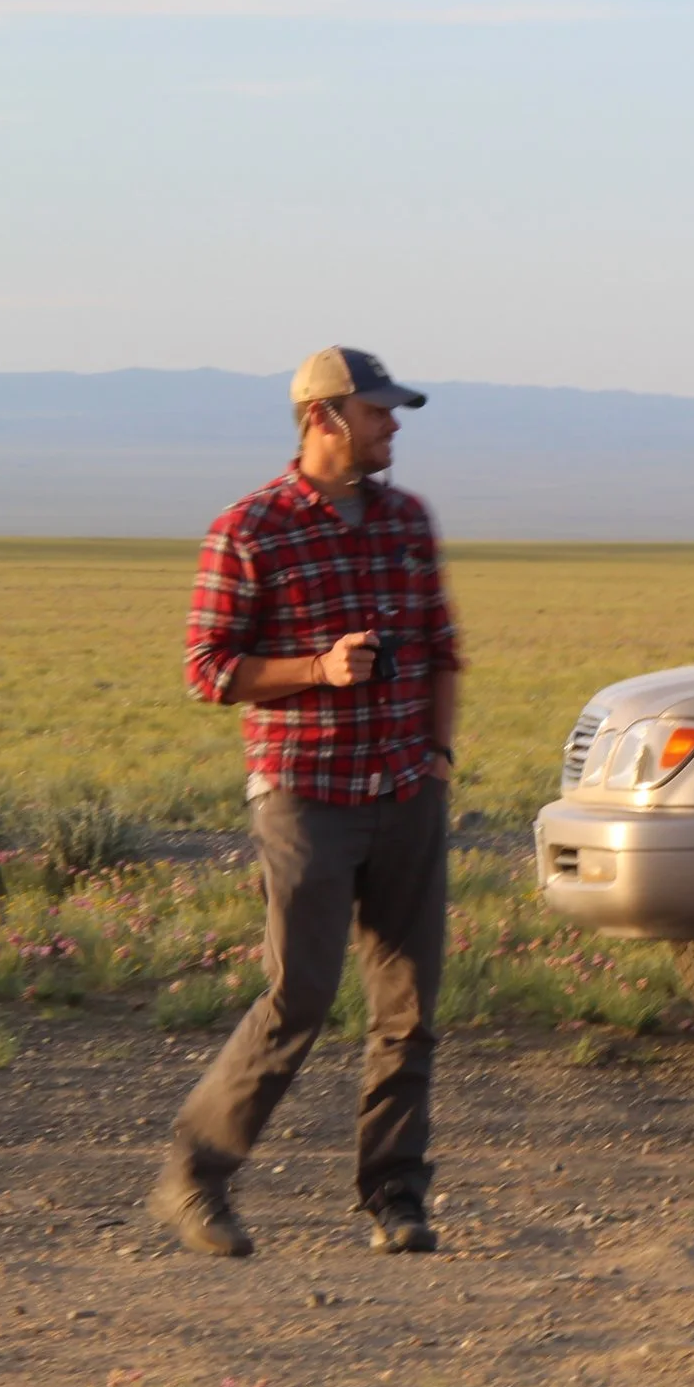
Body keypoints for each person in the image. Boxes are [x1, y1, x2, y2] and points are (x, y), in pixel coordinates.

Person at [149, 347, 462, 1259]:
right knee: (302, 994)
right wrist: (318, 670)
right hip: (306, 792)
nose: (394, 426)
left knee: (410, 1008)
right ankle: (195, 1175)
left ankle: (396, 1194)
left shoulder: (407, 519)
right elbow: (207, 670)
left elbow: (442, 645)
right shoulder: (250, 529)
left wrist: (438, 756)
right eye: (378, 413)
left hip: (406, 786)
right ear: (324, 417)